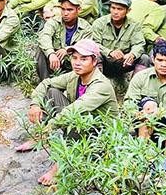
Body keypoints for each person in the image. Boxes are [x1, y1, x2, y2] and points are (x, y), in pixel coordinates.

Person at [26, 39, 118, 185]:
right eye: (74, 58)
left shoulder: (101, 85)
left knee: (75, 118)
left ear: (94, 62)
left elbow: (74, 110)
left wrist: (49, 126)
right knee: (52, 91)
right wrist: (35, 104)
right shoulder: (75, 76)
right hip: (79, 121)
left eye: (83, 59)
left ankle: (59, 166)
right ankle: (42, 138)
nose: (77, 62)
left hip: (99, 133)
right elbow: (46, 83)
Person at [35, 0, 93, 80]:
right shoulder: (53, 22)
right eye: (63, 9)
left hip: (74, 63)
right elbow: (44, 36)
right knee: (40, 50)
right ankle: (45, 83)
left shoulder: (86, 27)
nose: (65, 13)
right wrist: (51, 53)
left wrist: (68, 49)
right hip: (55, 61)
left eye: (70, 10)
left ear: (78, 10)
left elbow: (87, 46)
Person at [89, 0, 146, 81]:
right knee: (95, 55)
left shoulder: (134, 25)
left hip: (124, 63)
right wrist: (109, 52)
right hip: (106, 62)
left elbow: (139, 44)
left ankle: (135, 87)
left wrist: (132, 54)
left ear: (128, 11)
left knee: (144, 58)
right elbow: (93, 44)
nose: (115, 12)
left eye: (120, 9)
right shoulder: (100, 23)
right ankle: (97, 83)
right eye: (113, 8)